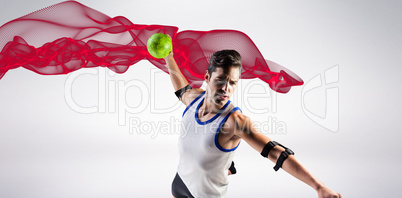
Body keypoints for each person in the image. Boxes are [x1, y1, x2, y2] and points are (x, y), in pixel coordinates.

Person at [164, 49, 341, 198]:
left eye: (232, 83)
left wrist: (319, 187)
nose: (226, 89)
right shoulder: (194, 99)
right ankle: (227, 166)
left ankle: (226, 166)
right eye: (220, 80)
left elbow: (275, 152)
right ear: (207, 77)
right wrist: (169, 57)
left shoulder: (235, 121)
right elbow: (182, 90)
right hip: (179, 183)